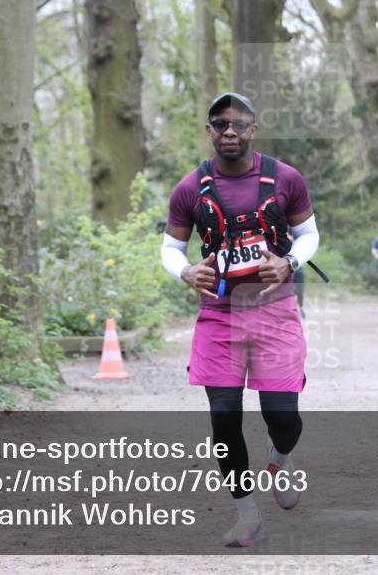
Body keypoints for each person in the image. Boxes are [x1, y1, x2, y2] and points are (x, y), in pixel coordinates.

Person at [160, 92, 319, 548]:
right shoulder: (190, 188)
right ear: (209, 131)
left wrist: (289, 262)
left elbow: (308, 234)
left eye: (238, 124)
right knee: (224, 419)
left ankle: (281, 457)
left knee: (282, 416)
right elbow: (171, 247)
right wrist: (186, 270)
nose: (229, 131)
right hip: (218, 318)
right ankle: (246, 514)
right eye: (219, 123)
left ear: (253, 129)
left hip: (275, 312)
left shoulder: (285, 178)